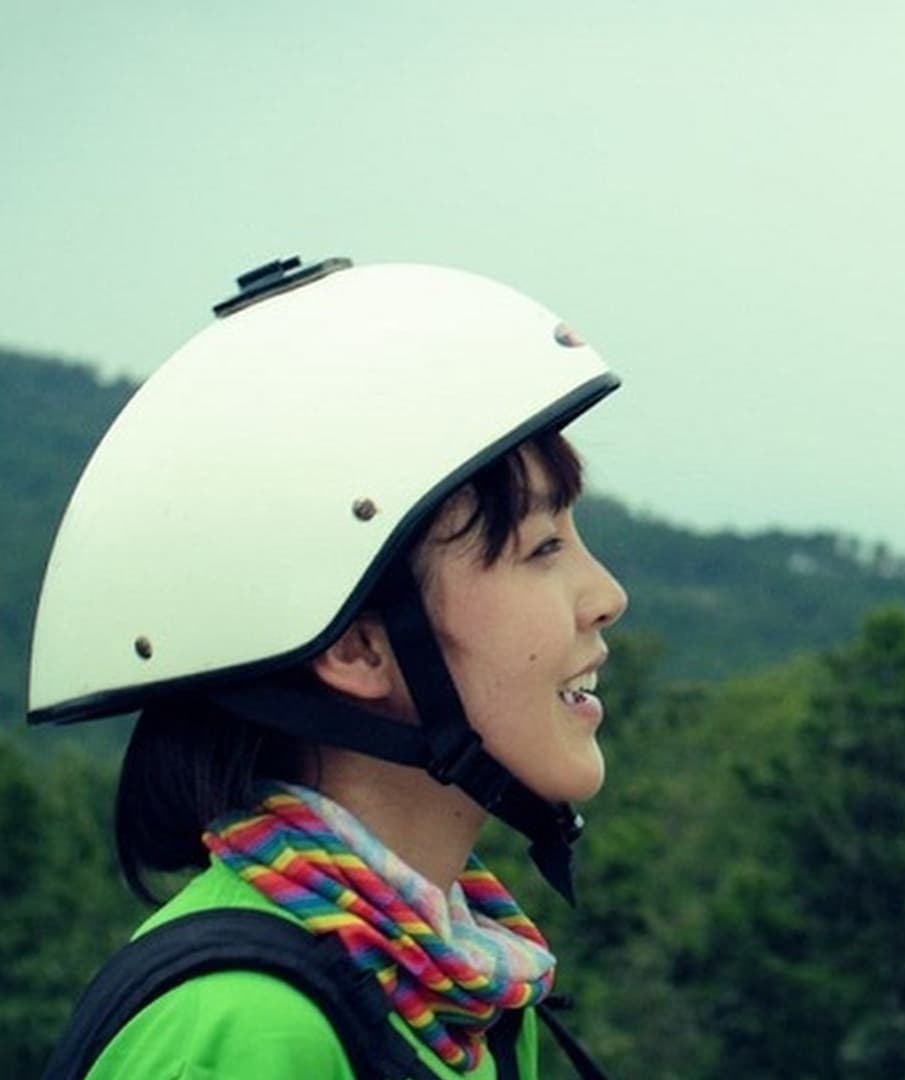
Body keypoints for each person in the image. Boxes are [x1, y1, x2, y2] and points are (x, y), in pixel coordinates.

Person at [28, 256, 629, 1078]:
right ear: (357, 648)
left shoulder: (460, 992)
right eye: (542, 548)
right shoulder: (249, 1029)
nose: (607, 597)